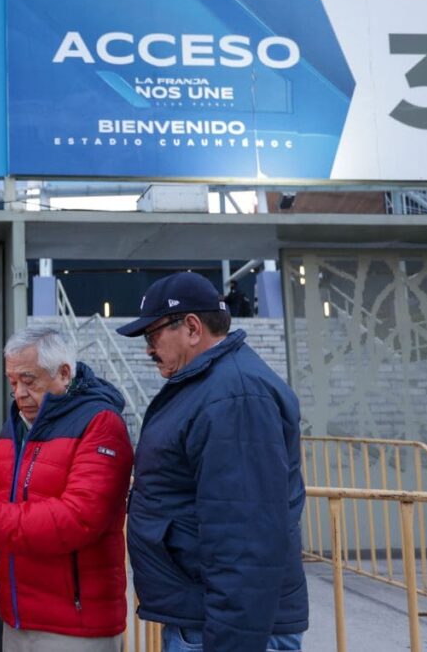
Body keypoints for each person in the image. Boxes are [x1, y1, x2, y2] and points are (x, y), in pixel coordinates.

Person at [116, 272, 308, 652]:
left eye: (152, 335)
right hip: (207, 616)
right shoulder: (214, 386)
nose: (149, 349)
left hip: (224, 628)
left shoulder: (233, 396)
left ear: (191, 328)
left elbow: (245, 533)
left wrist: (232, 640)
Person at [0, 327, 133, 652]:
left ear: (64, 373)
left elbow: (78, 519)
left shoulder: (101, 423)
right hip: (15, 615)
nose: (18, 393)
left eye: (29, 381)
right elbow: (11, 507)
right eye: (12, 382)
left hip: (74, 624)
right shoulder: (14, 426)